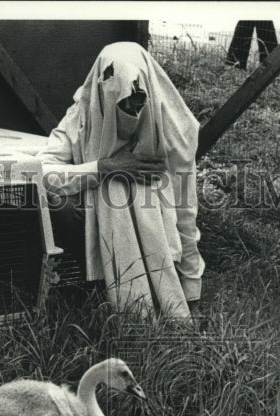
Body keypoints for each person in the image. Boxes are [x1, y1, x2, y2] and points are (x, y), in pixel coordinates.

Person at [37, 42, 204, 321]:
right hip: (98, 221)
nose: (132, 110)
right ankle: (94, 283)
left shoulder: (174, 129)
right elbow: (40, 172)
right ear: (103, 93)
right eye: (122, 103)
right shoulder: (82, 116)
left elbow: (186, 211)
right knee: (83, 194)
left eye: (139, 101)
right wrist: (104, 168)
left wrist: (191, 291)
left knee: (140, 184)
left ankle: (148, 288)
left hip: (158, 229)